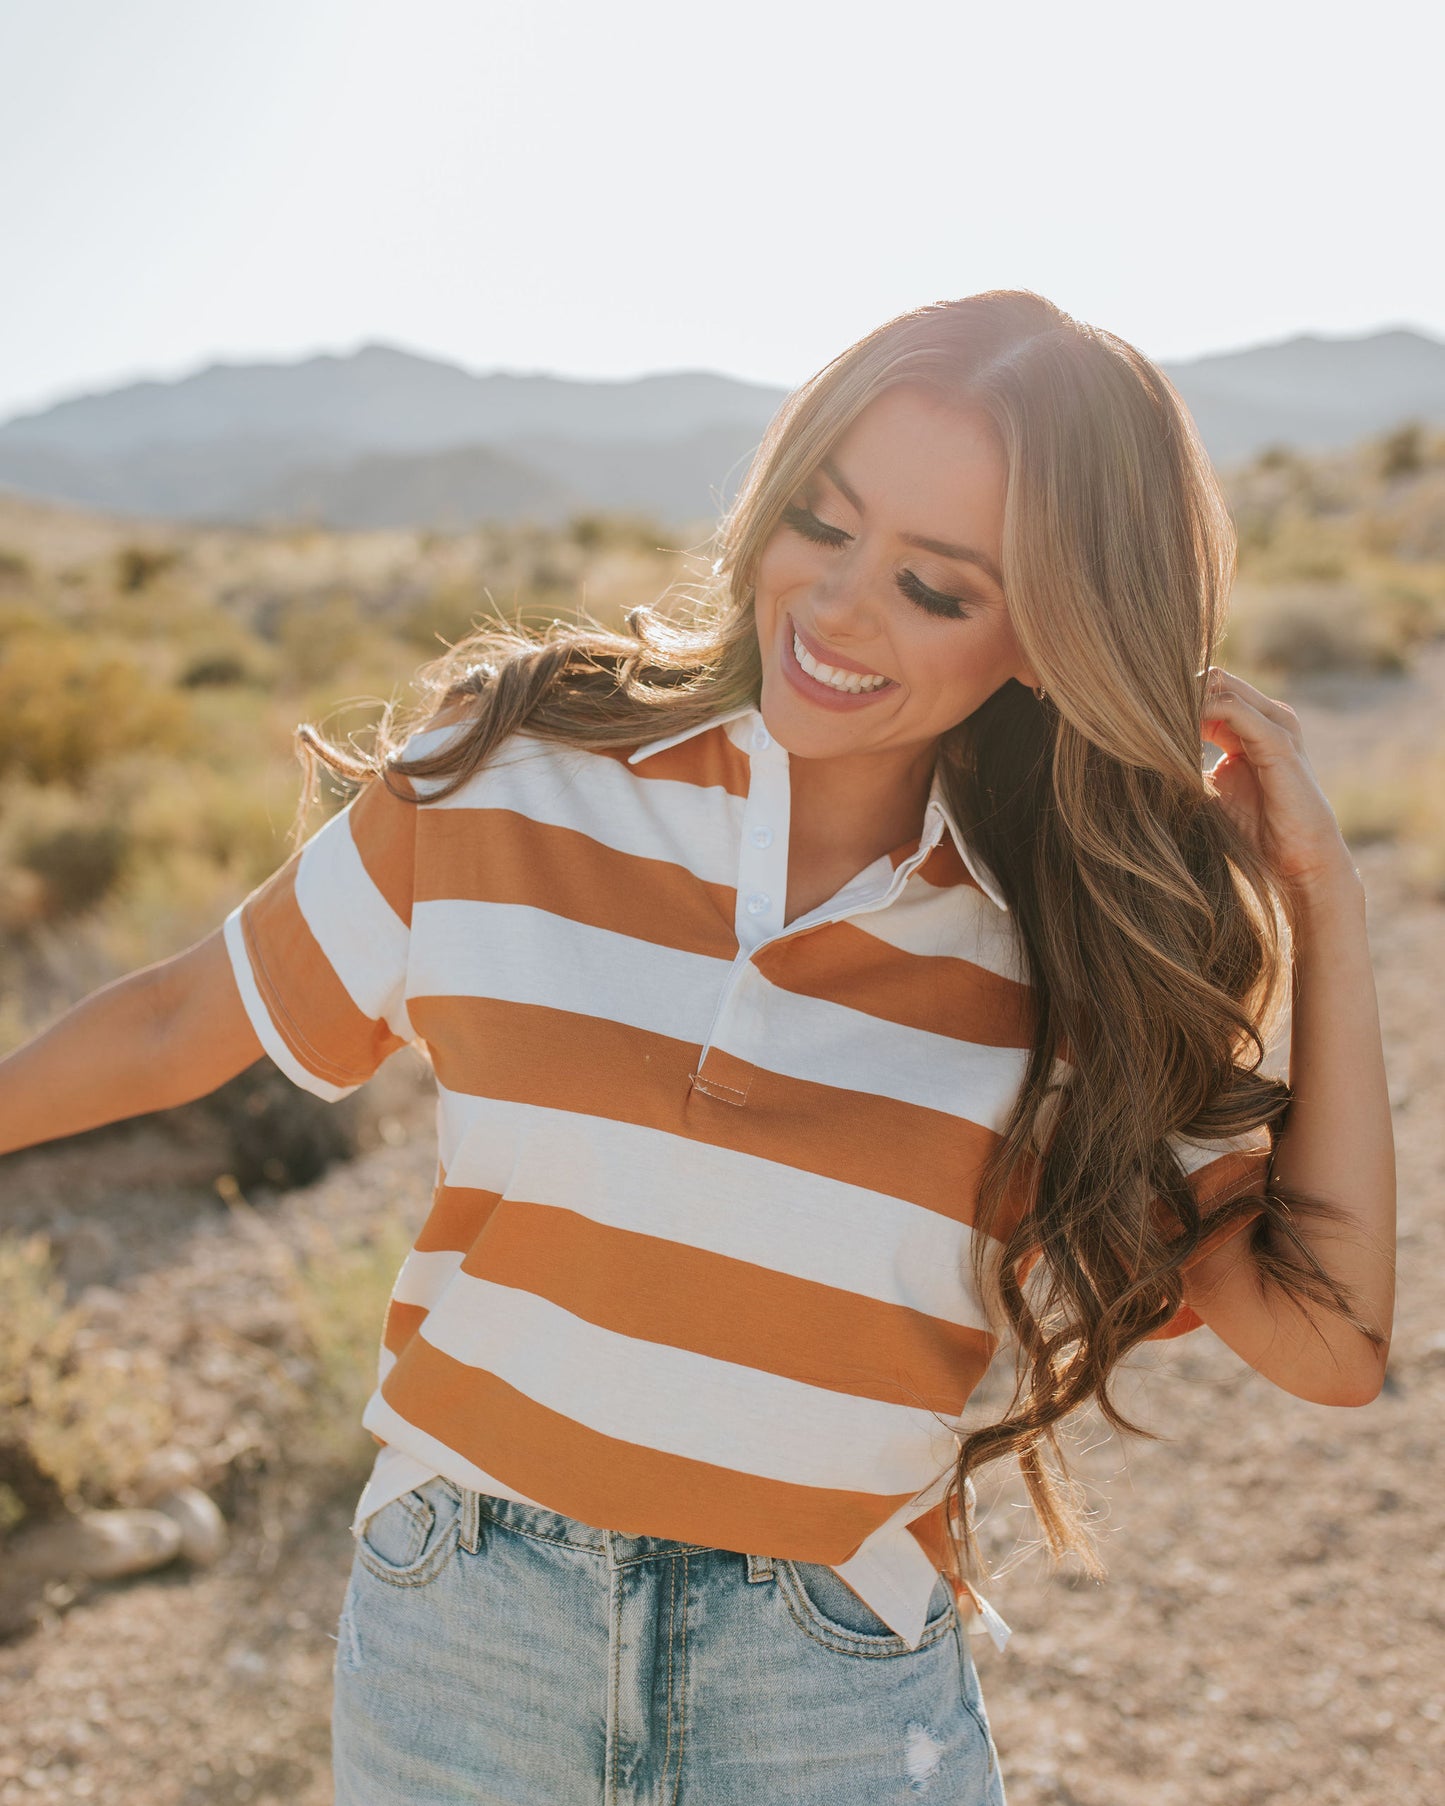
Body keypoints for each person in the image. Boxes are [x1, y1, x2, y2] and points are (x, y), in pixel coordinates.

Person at [0, 289, 1395, 1806]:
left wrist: (1322, 897)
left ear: (1051, 639)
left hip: (825, 1675)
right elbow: (177, 1015)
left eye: (936, 587)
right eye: (821, 520)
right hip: (466, 1623)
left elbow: (1325, 1346)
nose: (839, 607)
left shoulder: (1074, 942)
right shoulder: (515, 772)